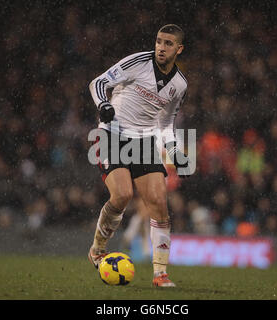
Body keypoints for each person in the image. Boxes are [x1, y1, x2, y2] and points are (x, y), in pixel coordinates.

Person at [88, 24, 189, 287]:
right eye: (158, 41)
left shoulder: (179, 85)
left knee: (159, 203)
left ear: (179, 49)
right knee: (122, 195)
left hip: (144, 140)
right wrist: (104, 104)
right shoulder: (138, 62)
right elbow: (98, 82)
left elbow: (167, 122)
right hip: (112, 134)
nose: (161, 47)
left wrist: (174, 149)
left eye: (168, 44)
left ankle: (160, 274)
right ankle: (98, 248)